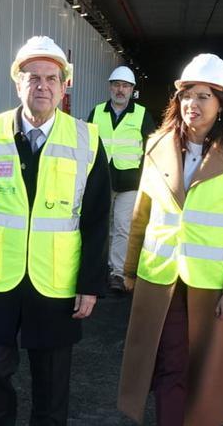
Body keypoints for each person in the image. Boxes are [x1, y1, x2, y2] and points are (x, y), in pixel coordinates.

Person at [0, 36, 111, 425]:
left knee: (51, 383)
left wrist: (90, 283)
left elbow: (96, 218)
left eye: (51, 78)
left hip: (56, 280)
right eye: (33, 77)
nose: (42, 86)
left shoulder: (86, 139)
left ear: (63, 86)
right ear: (17, 82)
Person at [118, 54, 223, 425]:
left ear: (222, 104)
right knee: (171, 366)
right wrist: (130, 269)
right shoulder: (157, 144)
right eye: (186, 95)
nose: (191, 105)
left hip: (209, 283)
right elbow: (141, 214)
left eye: (203, 97)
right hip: (159, 278)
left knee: (205, 375)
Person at [87, 66, 156, 292]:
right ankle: (100, 269)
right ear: (110, 87)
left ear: (132, 90)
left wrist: (148, 179)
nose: (120, 90)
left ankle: (117, 273)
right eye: (116, 85)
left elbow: (151, 149)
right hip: (101, 181)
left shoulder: (142, 114)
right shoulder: (97, 112)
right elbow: (87, 146)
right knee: (100, 225)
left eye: (125, 86)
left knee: (123, 227)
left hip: (130, 182)